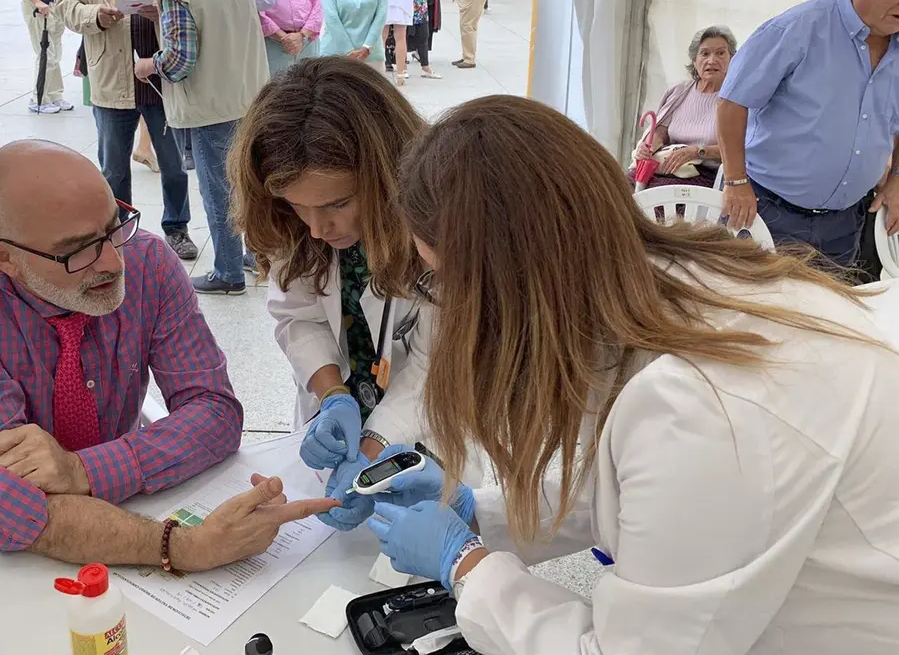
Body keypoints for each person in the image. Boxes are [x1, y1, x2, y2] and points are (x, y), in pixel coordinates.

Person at [366, 94, 899, 655]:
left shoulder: (704, 409)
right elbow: (640, 492)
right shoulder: (665, 278)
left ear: (510, 282)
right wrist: (482, 513)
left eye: (447, 283)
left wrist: (467, 568)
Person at [0, 140, 338, 565]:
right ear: (4, 259)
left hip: (120, 505)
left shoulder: (146, 260)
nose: (111, 261)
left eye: (113, 226)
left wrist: (81, 471)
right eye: (76, 250)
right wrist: (184, 547)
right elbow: (9, 510)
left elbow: (216, 412)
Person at [229, 57, 473, 532]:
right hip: (338, 425)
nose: (317, 228)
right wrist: (333, 394)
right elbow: (298, 316)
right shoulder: (297, 226)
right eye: (297, 206)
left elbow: (432, 365)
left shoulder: (439, 234)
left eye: (338, 204)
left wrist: (374, 446)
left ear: (387, 178)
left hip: (424, 432)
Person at [718, 0, 899, 268]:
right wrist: (735, 181)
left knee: (822, 316)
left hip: (844, 224)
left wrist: (896, 178)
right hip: (766, 210)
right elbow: (732, 101)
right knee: (748, 311)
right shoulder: (798, 28)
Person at [134, 0, 269, 295]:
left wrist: (147, 64)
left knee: (218, 192)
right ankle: (254, 255)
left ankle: (227, 272)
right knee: (248, 183)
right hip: (249, 94)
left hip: (210, 106)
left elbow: (178, 62)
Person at [56, 0, 200, 262]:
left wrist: (162, 11)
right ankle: (120, 232)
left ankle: (177, 228)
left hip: (162, 75)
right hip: (111, 74)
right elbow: (64, 5)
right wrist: (95, 15)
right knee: (113, 169)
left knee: (174, 164)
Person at [632, 26, 737, 190]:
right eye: (705, 53)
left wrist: (696, 152)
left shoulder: (736, 101)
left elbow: (737, 150)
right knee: (615, 190)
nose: (712, 60)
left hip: (701, 175)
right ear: (695, 61)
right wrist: (648, 148)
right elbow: (660, 131)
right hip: (663, 165)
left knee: (658, 204)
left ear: (732, 59)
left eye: (720, 53)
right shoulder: (679, 92)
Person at [9, 0, 73, 113]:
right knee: (46, 54)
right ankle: (39, 99)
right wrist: (36, 1)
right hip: (40, 6)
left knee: (55, 53)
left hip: (53, 5)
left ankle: (54, 95)